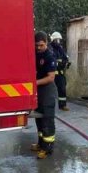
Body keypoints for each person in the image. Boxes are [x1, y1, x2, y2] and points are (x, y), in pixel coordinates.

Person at [32, 31, 58, 159]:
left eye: (41, 45)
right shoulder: (36, 53)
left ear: (46, 43)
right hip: (39, 91)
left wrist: (34, 83)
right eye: (36, 45)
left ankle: (47, 149)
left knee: (47, 119)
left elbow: (51, 78)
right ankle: (41, 144)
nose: (38, 48)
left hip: (47, 90)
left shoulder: (49, 56)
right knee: (39, 118)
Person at [49, 31, 70, 111]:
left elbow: (65, 57)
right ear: (53, 40)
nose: (58, 42)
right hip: (52, 74)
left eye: (59, 40)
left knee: (62, 88)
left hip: (60, 73)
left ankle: (62, 105)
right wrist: (58, 63)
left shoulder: (60, 48)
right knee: (49, 91)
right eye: (56, 40)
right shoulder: (50, 48)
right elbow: (52, 59)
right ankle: (49, 106)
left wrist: (66, 62)